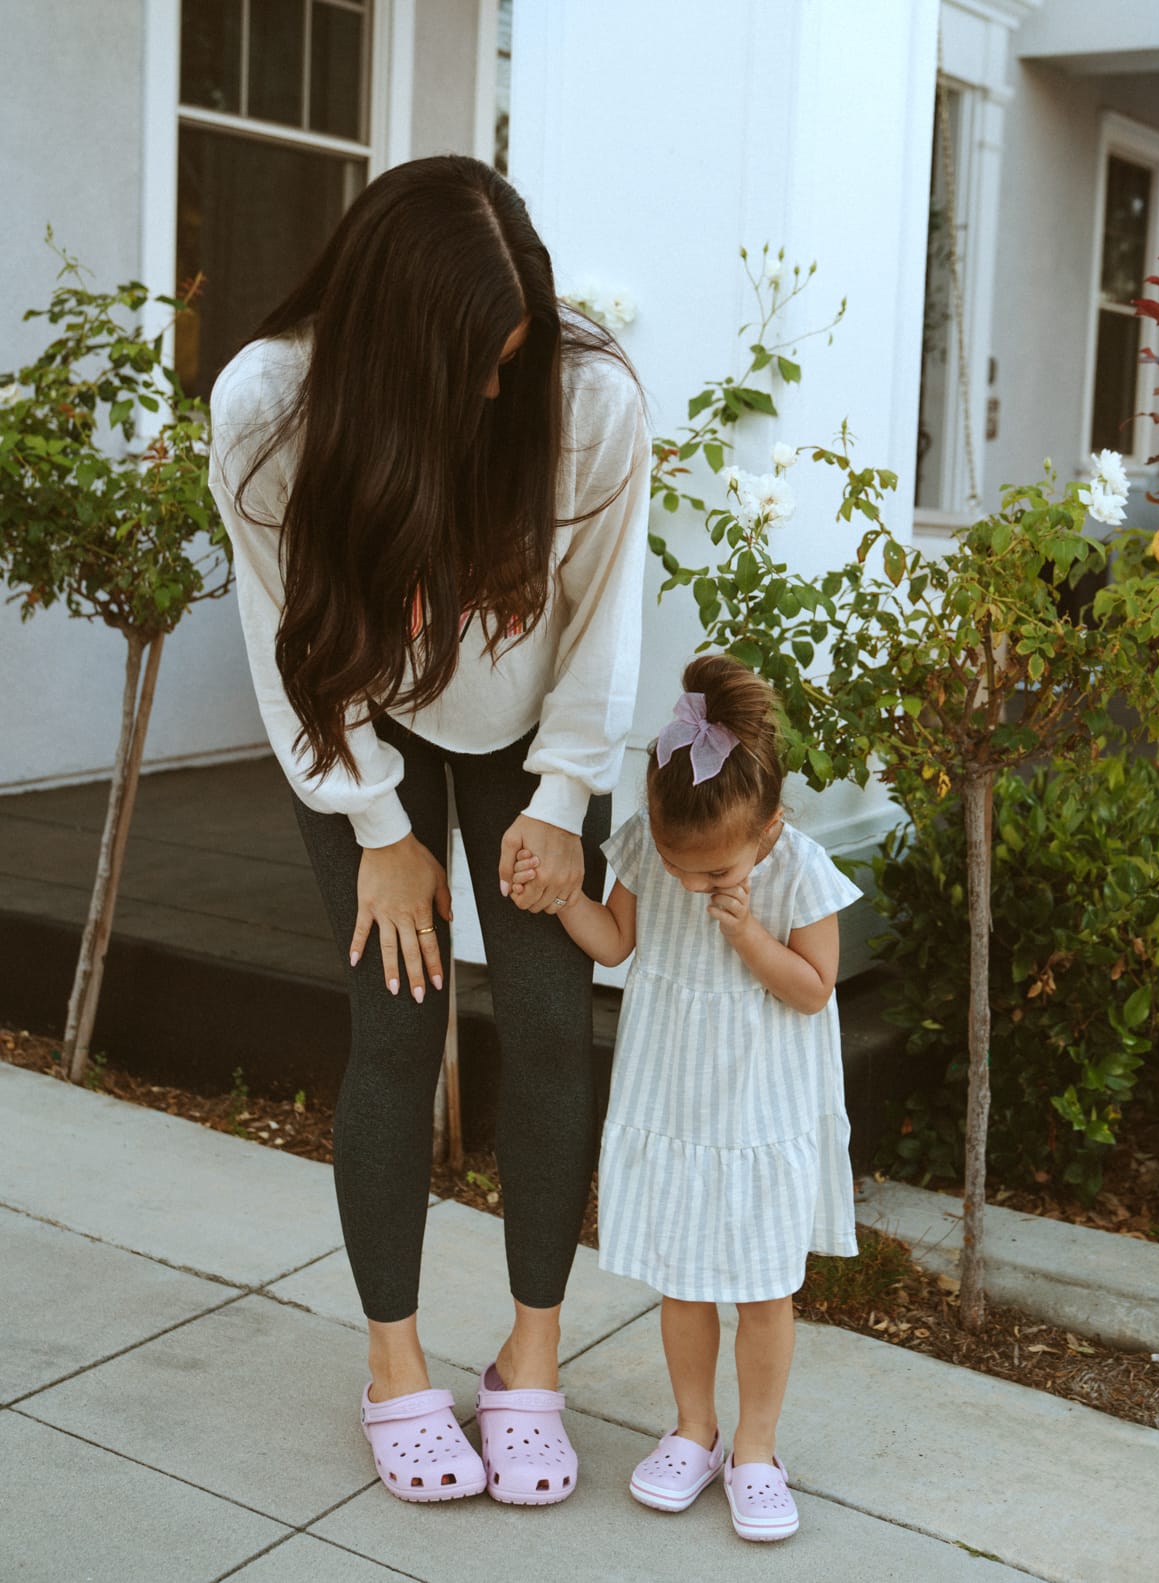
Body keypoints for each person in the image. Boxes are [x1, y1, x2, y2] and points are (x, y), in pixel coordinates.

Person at [207, 154, 649, 1507]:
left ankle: (530, 1354)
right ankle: (396, 1366)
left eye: (513, 357)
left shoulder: (590, 403)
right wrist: (377, 824)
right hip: (359, 717)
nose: (497, 392)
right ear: (396, 340)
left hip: (532, 730)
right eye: (473, 366)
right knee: (396, 1017)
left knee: (549, 1010)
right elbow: (287, 644)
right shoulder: (270, 409)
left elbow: (601, 623)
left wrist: (566, 798)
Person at [514, 653, 859, 1541]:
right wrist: (561, 900)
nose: (692, 886)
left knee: (765, 1288)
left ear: (772, 826)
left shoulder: (801, 870)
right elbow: (616, 940)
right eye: (679, 867)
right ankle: (693, 1427)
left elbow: (816, 987)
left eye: (712, 875)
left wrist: (747, 935)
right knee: (684, 1277)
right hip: (675, 1099)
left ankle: (755, 1446)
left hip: (760, 1115)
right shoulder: (648, 844)